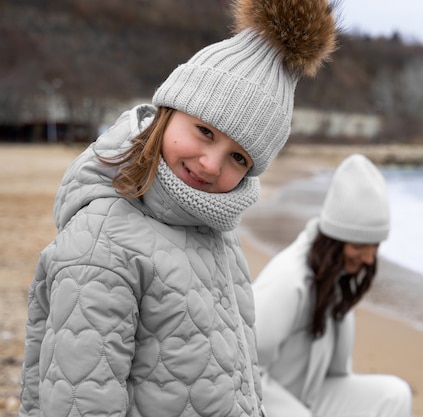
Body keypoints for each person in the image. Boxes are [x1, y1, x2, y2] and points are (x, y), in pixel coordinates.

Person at [18, 1, 338, 416]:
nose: (210, 164)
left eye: (238, 158)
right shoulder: (103, 242)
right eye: (204, 131)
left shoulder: (213, 229)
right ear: (168, 113)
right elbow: (82, 399)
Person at [252, 154, 412, 417]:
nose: (369, 258)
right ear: (334, 241)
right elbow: (244, 368)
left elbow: (337, 372)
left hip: (310, 396)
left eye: (375, 246)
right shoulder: (288, 279)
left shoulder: (335, 277)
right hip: (261, 402)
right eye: (359, 246)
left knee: (394, 396)